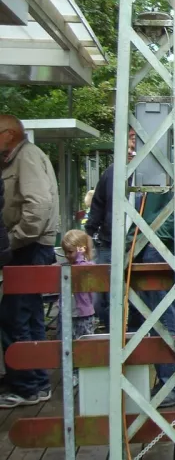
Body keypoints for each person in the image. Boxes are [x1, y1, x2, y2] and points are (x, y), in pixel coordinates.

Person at [0, 114, 58, 408]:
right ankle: (36, 381)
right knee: (31, 315)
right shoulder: (18, 158)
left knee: (15, 317)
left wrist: (11, 241)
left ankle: (27, 386)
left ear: (9, 134)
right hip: (30, 247)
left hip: (28, 247)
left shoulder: (27, 157)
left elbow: (38, 205)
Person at [126, 181, 175, 408]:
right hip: (144, 248)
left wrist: (154, 237)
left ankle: (172, 385)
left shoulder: (164, 161)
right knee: (153, 320)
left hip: (153, 249)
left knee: (163, 318)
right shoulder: (147, 166)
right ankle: (168, 382)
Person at [84, 129, 136, 332]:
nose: (131, 151)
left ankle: (133, 339)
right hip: (108, 243)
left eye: (135, 147)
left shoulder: (148, 176)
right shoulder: (111, 173)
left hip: (135, 245)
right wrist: (88, 233)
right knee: (100, 298)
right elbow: (97, 205)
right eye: (129, 147)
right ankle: (112, 333)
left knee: (136, 296)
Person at [58, 230, 97, 387]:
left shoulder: (86, 266)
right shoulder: (67, 267)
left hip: (84, 314)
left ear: (81, 250)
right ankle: (73, 373)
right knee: (68, 343)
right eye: (65, 252)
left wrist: (80, 256)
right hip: (68, 313)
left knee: (84, 342)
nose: (67, 255)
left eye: (71, 252)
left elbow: (86, 268)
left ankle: (85, 372)